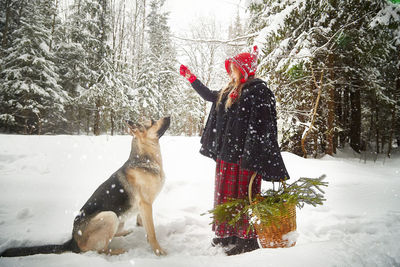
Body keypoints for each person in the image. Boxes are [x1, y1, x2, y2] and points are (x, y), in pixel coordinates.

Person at [179, 46, 290, 256]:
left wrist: (252, 155)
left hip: (246, 157)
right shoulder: (232, 90)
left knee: (244, 198)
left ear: (244, 70)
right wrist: (192, 78)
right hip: (227, 155)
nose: (231, 72)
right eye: (230, 69)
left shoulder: (259, 91)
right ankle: (227, 234)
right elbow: (210, 96)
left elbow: (263, 127)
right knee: (225, 196)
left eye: (234, 69)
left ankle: (247, 240)